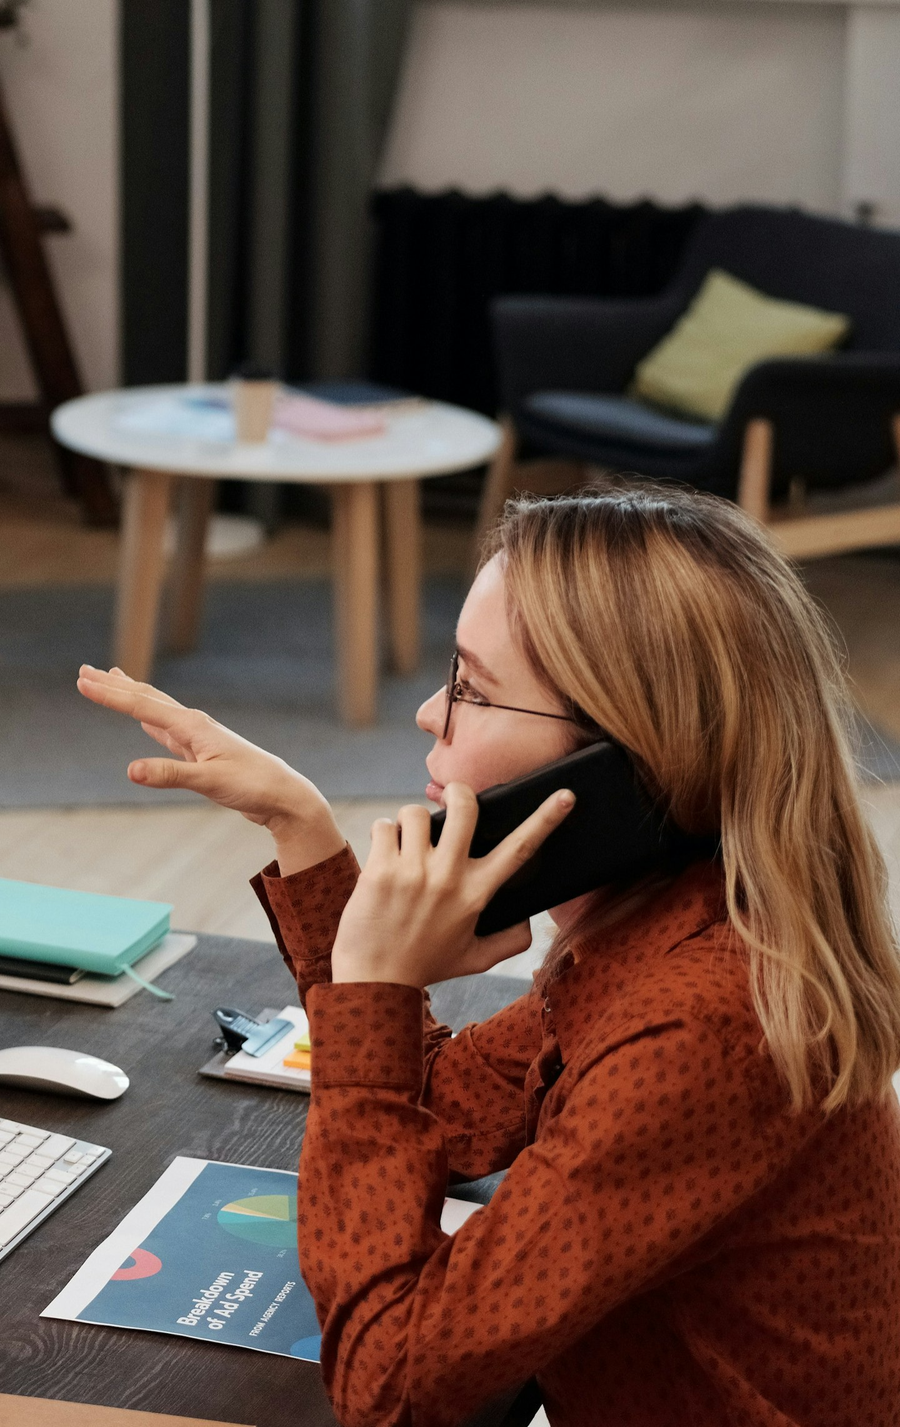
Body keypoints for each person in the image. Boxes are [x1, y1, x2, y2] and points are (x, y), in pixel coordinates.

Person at [80, 483, 900, 1426]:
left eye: (473, 686)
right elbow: (438, 1110)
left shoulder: (704, 1022)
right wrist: (302, 831)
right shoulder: (661, 927)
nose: (432, 712)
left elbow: (389, 1380)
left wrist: (379, 983)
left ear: (617, 764)